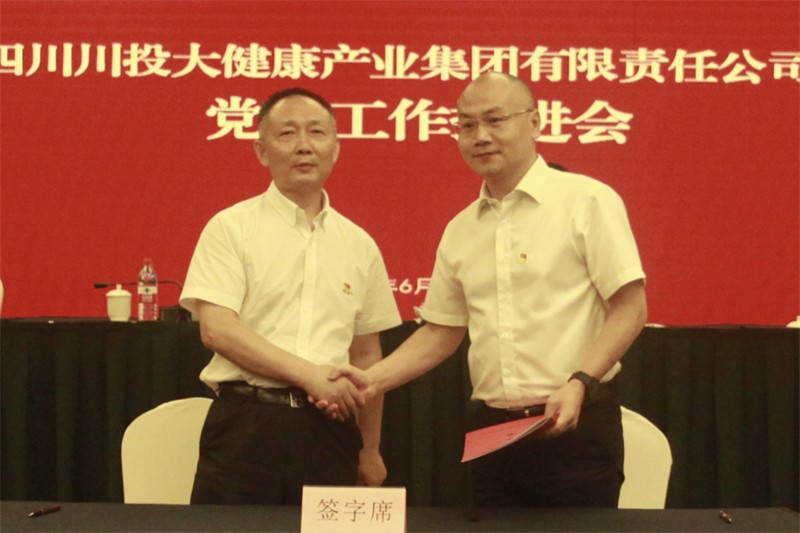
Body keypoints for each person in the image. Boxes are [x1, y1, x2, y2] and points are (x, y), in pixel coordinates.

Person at [331, 72, 647, 508]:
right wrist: (369, 381)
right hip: (493, 432)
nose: (480, 136)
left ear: (534, 122)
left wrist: (580, 382)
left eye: (495, 120)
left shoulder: (587, 201)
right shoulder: (461, 229)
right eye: (467, 125)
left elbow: (631, 307)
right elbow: (441, 331)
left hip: (574, 425)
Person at [179, 87, 401, 505]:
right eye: (287, 134)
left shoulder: (359, 244)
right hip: (246, 426)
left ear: (336, 148)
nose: (304, 146)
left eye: (317, 132)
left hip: (330, 431)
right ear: (262, 151)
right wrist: (309, 375)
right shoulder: (231, 228)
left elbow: (367, 355)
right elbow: (218, 330)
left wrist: (369, 448)